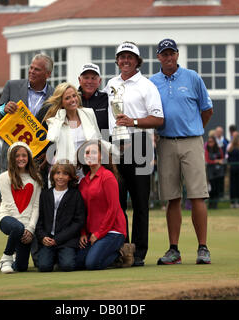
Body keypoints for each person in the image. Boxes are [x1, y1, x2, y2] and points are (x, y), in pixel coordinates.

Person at [149, 38, 212, 265]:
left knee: (197, 195)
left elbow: (207, 109)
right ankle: (174, 249)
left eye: (171, 53)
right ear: (158, 57)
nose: (168, 57)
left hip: (192, 141)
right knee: (172, 198)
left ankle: (203, 247)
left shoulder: (192, 77)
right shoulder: (152, 82)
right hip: (165, 142)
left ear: (177, 54)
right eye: (164, 54)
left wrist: (194, 129)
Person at [105, 41, 164, 267]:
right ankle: (122, 249)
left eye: (130, 57)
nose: (125, 60)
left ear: (137, 61)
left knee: (140, 203)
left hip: (139, 142)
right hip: (113, 143)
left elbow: (158, 119)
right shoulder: (110, 83)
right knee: (117, 202)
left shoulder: (147, 85)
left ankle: (138, 252)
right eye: (122, 57)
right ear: (118, 60)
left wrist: (133, 122)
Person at [0, 53, 55, 173]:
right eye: (31, 68)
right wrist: (4, 109)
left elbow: (57, 131)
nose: (31, 71)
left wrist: (49, 153)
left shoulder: (55, 95)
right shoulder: (12, 86)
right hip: (10, 160)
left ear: (48, 74)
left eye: (37, 69)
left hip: (37, 163)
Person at [76, 139, 128, 270]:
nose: (90, 155)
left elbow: (113, 208)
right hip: (92, 232)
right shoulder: (83, 182)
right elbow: (83, 210)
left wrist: (99, 233)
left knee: (92, 264)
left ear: (101, 156)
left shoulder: (107, 177)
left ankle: (122, 253)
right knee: (77, 262)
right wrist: (83, 233)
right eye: (87, 153)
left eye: (94, 152)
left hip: (112, 231)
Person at [0, 142, 42, 273]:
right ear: (11, 158)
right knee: (17, 227)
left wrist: (30, 229)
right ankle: (6, 258)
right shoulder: (4, 177)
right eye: (17, 156)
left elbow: (36, 206)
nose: (21, 158)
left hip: (26, 226)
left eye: (24, 155)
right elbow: (9, 204)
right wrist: (23, 228)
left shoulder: (36, 178)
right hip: (7, 218)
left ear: (29, 158)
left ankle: (16, 257)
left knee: (21, 267)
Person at [35, 161, 85, 272]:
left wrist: (58, 239)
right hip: (48, 239)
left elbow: (78, 221)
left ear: (70, 177)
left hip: (67, 240)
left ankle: (63, 257)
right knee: (43, 267)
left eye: (65, 174)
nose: (60, 177)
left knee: (67, 266)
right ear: (52, 175)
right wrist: (42, 237)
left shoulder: (75, 195)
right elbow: (39, 220)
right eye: (57, 173)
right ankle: (55, 257)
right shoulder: (45, 195)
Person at [43, 82, 103, 168]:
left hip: (88, 167)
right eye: (67, 98)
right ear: (61, 102)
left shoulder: (89, 113)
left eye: (74, 96)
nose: (73, 100)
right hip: (66, 170)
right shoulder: (55, 121)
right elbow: (52, 137)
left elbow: (98, 139)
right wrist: (61, 115)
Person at [78, 63, 109, 133]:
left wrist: (104, 143)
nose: (89, 81)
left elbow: (110, 126)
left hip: (102, 142)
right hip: (78, 142)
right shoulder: (72, 99)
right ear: (79, 80)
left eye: (93, 78)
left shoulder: (106, 98)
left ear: (99, 81)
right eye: (86, 78)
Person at [205, 136, 224, 209]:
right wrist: (216, 161)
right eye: (209, 142)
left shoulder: (219, 149)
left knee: (217, 188)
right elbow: (207, 160)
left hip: (219, 171)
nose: (210, 143)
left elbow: (222, 158)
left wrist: (220, 161)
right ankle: (211, 204)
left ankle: (215, 204)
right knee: (211, 189)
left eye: (212, 142)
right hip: (211, 172)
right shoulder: (207, 150)